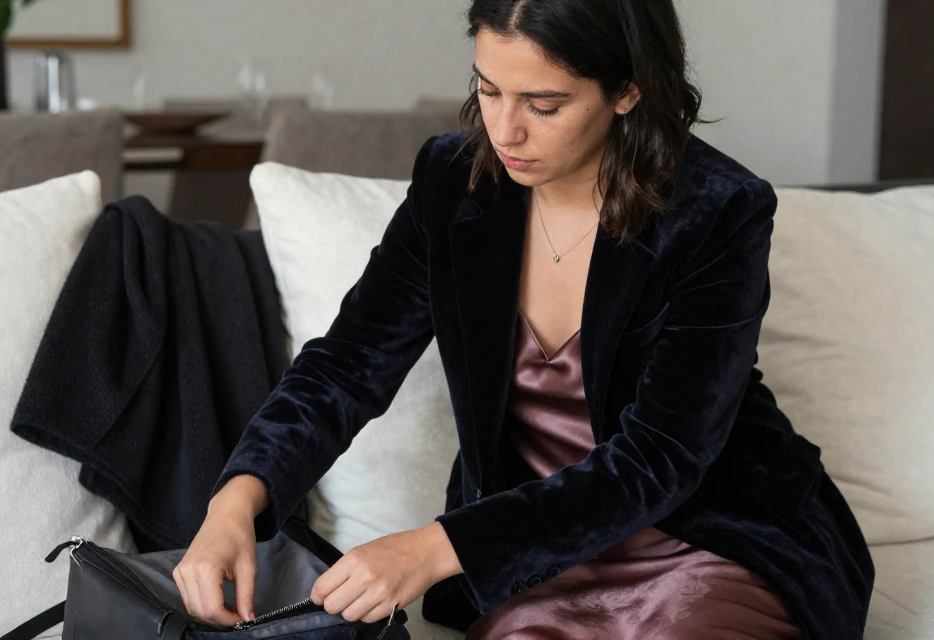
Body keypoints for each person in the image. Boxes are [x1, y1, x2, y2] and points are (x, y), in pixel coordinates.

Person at [173, 1, 875, 638]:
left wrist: (434, 547)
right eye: (488, 89)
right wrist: (240, 497)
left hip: (709, 536)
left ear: (628, 91)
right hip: (531, 557)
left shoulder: (716, 210)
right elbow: (348, 365)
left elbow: (661, 459)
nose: (505, 130)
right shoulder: (454, 182)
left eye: (543, 103)